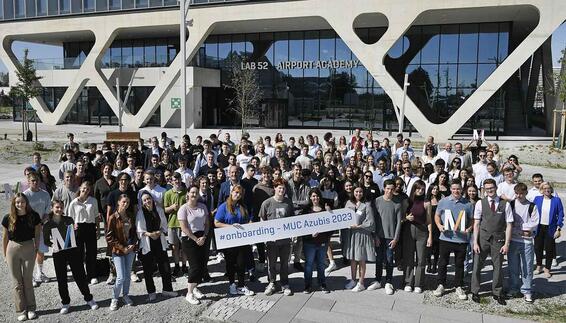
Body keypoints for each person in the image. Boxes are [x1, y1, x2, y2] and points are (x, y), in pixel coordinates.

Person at [43, 200, 99, 314]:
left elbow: (73, 235)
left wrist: (75, 231)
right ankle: (65, 302)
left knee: (80, 275)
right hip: (58, 253)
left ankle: (89, 298)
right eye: (57, 207)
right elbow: (46, 241)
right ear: (52, 208)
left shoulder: (69, 220)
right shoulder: (48, 224)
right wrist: (52, 244)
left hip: (72, 251)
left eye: (61, 207)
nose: (59, 209)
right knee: (61, 278)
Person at [471, 178, 514, 305]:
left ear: (496, 188)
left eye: (492, 188)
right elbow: (477, 223)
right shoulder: (480, 203)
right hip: (482, 239)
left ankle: (497, 292)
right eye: (487, 188)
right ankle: (475, 291)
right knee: (477, 265)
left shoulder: (505, 204)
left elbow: (509, 225)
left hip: (498, 240)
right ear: (484, 189)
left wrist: (507, 244)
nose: (490, 190)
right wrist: (475, 242)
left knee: (498, 267)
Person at [2, 193, 41, 321]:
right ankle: (21, 310)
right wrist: (4, 254)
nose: (20, 204)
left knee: (27, 279)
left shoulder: (33, 216)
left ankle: (31, 308)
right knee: (17, 282)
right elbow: (5, 237)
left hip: (29, 247)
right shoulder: (8, 218)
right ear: (14, 203)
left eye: (22, 202)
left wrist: (36, 248)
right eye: (17, 202)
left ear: (26, 203)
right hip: (12, 249)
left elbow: (37, 233)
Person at [433, 180, 473, 301]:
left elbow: (472, 219)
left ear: (462, 189)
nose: (456, 191)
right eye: (454, 188)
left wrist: (469, 228)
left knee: (459, 264)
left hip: (461, 239)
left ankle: (458, 286)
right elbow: (437, 215)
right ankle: (441, 285)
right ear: (451, 189)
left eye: (458, 189)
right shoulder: (443, 201)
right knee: (443, 263)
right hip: (446, 238)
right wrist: (439, 226)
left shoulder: (468, 204)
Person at [214, 184, 255, 296]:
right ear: (231, 192)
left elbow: (247, 220)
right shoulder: (224, 206)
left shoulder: (243, 206)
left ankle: (241, 285)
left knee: (241, 263)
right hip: (229, 240)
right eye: (236, 192)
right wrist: (230, 227)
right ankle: (232, 284)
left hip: (241, 240)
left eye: (240, 194)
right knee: (231, 264)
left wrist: (249, 224)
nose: (238, 195)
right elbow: (216, 223)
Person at [136, 192, 177, 302]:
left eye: (148, 198)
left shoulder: (158, 210)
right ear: (142, 202)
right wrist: (150, 234)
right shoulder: (140, 213)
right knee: (148, 270)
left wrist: (158, 232)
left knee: (165, 267)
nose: (147, 201)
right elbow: (139, 229)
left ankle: (167, 289)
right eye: (144, 200)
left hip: (159, 240)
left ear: (152, 199)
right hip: (147, 242)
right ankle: (151, 292)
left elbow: (164, 225)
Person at [258, 178, 295, 296]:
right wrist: (265, 236)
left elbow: (292, 220)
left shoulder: (288, 203)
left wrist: (293, 234)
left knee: (284, 263)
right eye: (279, 188)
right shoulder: (267, 203)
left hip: (285, 240)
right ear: (275, 188)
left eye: (283, 188)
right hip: (271, 241)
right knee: (271, 263)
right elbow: (262, 219)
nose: (281, 190)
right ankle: (272, 282)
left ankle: (285, 283)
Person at [368, 179, 402, 295]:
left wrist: (396, 238)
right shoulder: (377, 201)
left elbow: (398, 222)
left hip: (391, 237)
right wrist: (375, 235)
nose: (389, 191)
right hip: (379, 236)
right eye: (387, 189)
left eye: (392, 189)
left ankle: (388, 281)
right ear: (384, 189)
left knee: (389, 259)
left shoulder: (397, 203)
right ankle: (377, 280)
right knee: (378, 259)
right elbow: (374, 220)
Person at [178, 185, 210, 304]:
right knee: (195, 266)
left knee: (202, 265)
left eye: (196, 192)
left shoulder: (203, 207)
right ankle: (189, 293)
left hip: (202, 237)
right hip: (189, 238)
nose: (194, 194)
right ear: (188, 194)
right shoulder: (183, 209)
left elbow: (207, 224)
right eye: (192, 192)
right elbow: (184, 227)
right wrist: (195, 239)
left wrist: (204, 236)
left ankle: (195, 287)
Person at [507, 183, 539, 303]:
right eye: (517, 193)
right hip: (513, 240)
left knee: (527, 267)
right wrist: (518, 231)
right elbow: (508, 221)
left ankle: (527, 290)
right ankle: (514, 288)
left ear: (526, 193)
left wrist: (524, 229)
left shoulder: (532, 206)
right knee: (513, 267)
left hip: (527, 242)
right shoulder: (511, 204)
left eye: (521, 193)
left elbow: (534, 222)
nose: (519, 196)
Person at [106, 194, 138, 311]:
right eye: (123, 202)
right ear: (118, 202)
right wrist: (122, 248)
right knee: (120, 277)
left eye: (127, 202)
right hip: (118, 251)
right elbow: (109, 237)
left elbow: (134, 233)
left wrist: (133, 244)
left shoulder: (130, 216)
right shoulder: (113, 217)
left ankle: (125, 295)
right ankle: (114, 298)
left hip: (130, 249)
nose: (126, 204)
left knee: (128, 275)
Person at [68, 181, 100, 285]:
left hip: (90, 227)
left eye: (88, 189)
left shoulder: (93, 201)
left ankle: (92, 275)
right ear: (80, 188)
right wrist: (72, 228)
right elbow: (69, 219)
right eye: (84, 188)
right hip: (79, 228)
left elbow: (96, 216)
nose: (85, 190)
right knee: (79, 253)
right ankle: (81, 275)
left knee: (91, 252)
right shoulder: (74, 203)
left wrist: (98, 229)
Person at [402, 180, 432, 293]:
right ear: (414, 189)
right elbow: (400, 217)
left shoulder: (426, 203)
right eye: (418, 188)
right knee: (409, 258)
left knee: (421, 259)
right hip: (408, 230)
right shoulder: (407, 201)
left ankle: (418, 283)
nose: (420, 191)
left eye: (422, 189)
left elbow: (429, 221)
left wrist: (430, 236)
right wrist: (406, 219)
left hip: (422, 231)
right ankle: (408, 282)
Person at [343, 186, 375, 292]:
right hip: (351, 235)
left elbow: (370, 222)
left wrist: (359, 226)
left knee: (361, 259)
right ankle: (353, 280)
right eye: (356, 191)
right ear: (353, 192)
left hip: (362, 235)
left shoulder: (367, 205)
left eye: (360, 192)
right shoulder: (348, 203)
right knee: (353, 258)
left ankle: (361, 282)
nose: (358, 193)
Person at [23, 172, 51, 287]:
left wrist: (44, 219)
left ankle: (39, 273)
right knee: (29, 253)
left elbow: (48, 210)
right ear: (28, 181)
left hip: (42, 227)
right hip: (28, 229)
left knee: (41, 251)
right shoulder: (25, 195)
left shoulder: (45, 194)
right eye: (33, 180)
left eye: (37, 180)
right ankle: (30, 276)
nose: (35, 182)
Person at [301, 188, 332, 294]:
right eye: (313, 196)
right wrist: (310, 234)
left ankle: (322, 283)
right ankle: (308, 285)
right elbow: (301, 227)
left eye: (317, 196)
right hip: (309, 243)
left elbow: (332, 226)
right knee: (309, 265)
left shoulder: (325, 209)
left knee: (321, 264)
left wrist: (329, 213)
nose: (315, 198)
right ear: (310, 197)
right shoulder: (306, 210)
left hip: (322, 242)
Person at [533, 182, 564, 278]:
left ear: (551, 189)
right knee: (538, 248)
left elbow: (561, 214)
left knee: (549, 249)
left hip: (551, 228)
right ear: (541, 190)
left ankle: (547, 268)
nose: (547, 190)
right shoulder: (537, 199)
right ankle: (539, 266)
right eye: (544, 188)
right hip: (538, 227)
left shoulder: (556, 200)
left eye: (548, 188)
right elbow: (532, 213)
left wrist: (558, 229)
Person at [163, 173, 188, 278]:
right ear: (171, 181)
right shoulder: (168, 193)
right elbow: (165, 209)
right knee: (174, 247)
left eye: (178, 179)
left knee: (185, 247)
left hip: (184, 224)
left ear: (181, 180)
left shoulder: (186, 192)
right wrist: (172, 207)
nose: (177, 182)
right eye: (174, 180)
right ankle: (177, 266)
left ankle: (184, 266)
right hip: (172, 223)